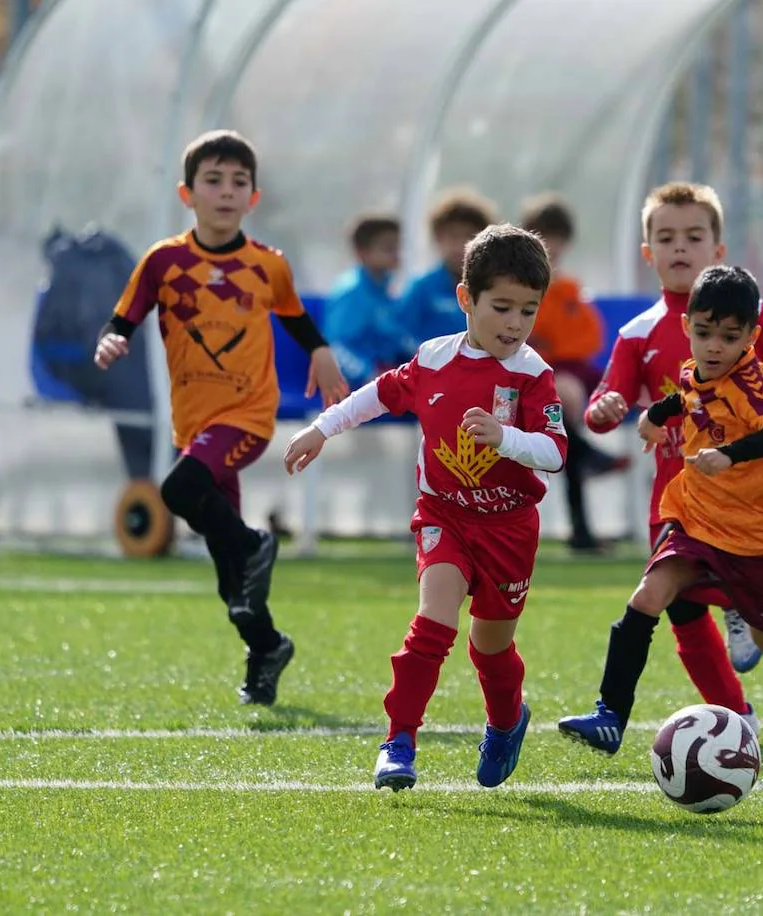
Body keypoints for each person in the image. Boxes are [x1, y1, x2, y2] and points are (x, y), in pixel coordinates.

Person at [283, 224, 563, 791]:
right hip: (444, 517)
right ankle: (398, 742)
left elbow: (556, 453)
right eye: (502, 307)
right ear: (467, 299)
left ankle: (507, 721)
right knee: (432, 625)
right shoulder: (434, 360)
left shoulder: (533, 376)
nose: (515, 324)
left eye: (528, 311)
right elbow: (378, 396)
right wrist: (321, 427)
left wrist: (505, 439)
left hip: (508, 529)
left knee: (492, 648)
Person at [558, 265, 763, 754]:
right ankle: (609, 715)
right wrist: (654, 418)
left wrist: (729, 455)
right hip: (693, 519)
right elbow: (686, 397)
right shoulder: (694, 369)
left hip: (750, 534)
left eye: (729, 336)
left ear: (751, 336)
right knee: (647, 597)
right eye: (704, 334)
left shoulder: (750, 382)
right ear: (688, 330)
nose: (715, 346)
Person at [93, 129, 349, 706]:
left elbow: (298, 320)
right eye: (214, 180)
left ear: (253, 197)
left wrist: (321, 351)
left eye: (239, 182)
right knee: (228, 574)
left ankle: (259, 544)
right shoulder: (164, 261)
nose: (226, 191)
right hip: (195, 425)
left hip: (247, 416)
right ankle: (266, 647)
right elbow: (124, 316)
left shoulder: (267, 265)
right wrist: (111, 342)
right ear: (188, 193)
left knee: (180, 486)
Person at [583, 180, 763, 706]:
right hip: (674, 500)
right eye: (666, 238)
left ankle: (744, 605)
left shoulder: (745, 316)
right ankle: (733, 717)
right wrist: (605, 410)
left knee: (762, 632)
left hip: (739, 503)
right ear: (648, 254)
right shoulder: (637, 333)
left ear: (718, 251)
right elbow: (607, 403)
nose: (679, 247)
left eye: (693, 236)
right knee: (679, 616)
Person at [519, 193, 629, 553]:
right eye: (543, 236)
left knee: (563, 416)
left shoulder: (567, 288)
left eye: (557, 237)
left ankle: (582, 523)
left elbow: (585, 339)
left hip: (565, 373)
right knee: (563, 405)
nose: (551, 245)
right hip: (532, 376)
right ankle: (589, 469)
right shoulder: (524, 286)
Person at [323, 214, 414, 387]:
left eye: (397, 247)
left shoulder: (384, 290)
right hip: (356, 388)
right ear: (362, 252)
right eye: (388, 248)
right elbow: (336, 347)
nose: (396, 254)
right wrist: (370, 376)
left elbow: (395, 338)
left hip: (384, 376)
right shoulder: (351, 294)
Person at [400, 188, 496, 345]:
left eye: (469, 236)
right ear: (438, 237)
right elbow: (400, 336)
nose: (460, 245)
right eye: (453, 236)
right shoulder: (421, 288)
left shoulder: (491, 288)